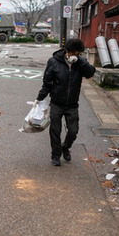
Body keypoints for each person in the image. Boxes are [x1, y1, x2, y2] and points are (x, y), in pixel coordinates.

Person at [36, 38, 95, 166]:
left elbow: (90, 73)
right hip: (57, 103)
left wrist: (81, 62)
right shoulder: (54, 62)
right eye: (73, 54)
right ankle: (55, 155)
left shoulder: (80, 62)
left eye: (78, 54)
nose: (75, 56)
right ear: (66, 51)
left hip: (72, 105)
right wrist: (40, 98)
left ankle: (66, 147)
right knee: (55, 131)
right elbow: (47, 82)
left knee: (73, 131)